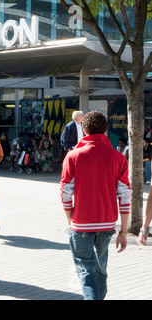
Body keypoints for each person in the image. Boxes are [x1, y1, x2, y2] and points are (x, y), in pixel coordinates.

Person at [60, 110, 132, 300]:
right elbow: (125, 196)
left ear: (84, 129)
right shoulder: (118, 158)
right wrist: (123, 231)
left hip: (81, 223)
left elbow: (66, 193)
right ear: (106, 130)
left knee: (86, 273)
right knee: (100, 271)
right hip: (107, 223)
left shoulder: (73, 156)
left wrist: (70, 221)